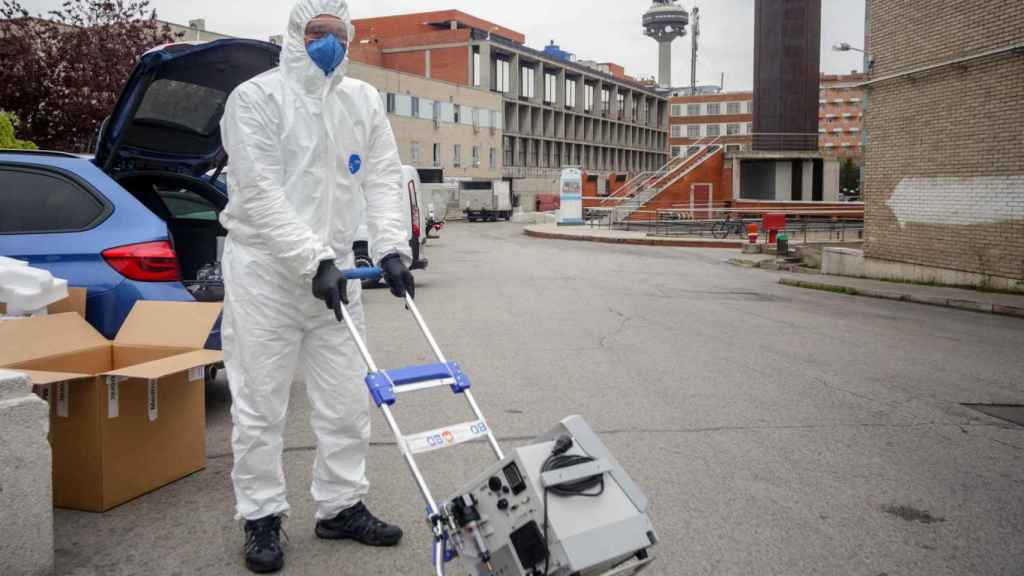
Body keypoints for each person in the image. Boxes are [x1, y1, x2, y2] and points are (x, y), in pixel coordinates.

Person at [218, 0, 415, 572]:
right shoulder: (256, 99)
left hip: (335, 278)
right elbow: (259, 193)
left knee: (347, 402)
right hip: (266, 277)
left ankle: (340, 506)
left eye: (337, 32)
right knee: (260, 405)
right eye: (315, 31)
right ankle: (260, 517)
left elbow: (380, 177)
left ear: (349, 38)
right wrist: (312, 260)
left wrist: (390, 249)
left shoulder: (362, 101)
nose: (327, 41)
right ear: (293, 35)